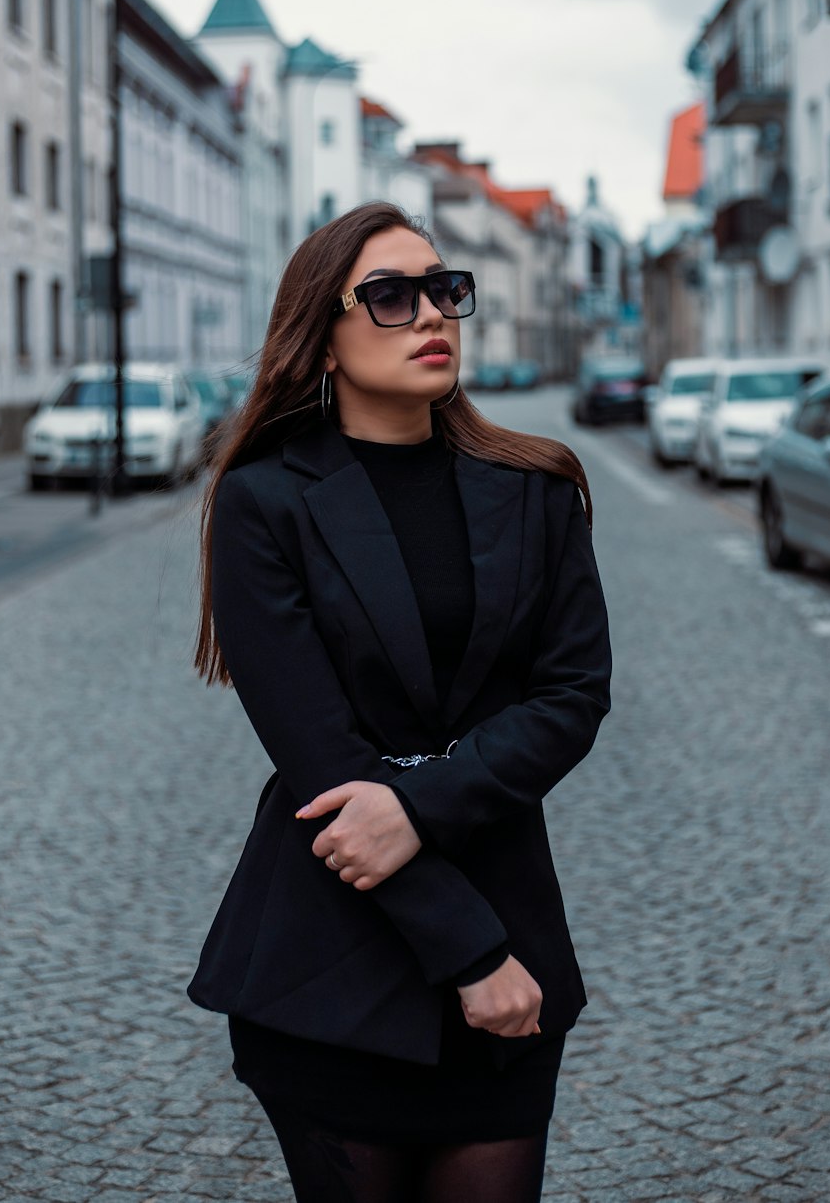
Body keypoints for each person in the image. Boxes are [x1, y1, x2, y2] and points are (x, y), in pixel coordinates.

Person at [189, 202, 612, 1203]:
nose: (429, 313)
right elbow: (319, 754)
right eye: (387, 296)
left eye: (442, 289)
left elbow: (571, 696)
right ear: (321, 339)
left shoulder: (538, 487)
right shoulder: (263, 501)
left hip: (509, 921)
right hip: (334, 952)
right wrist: (470, 953)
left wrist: (417, 804)